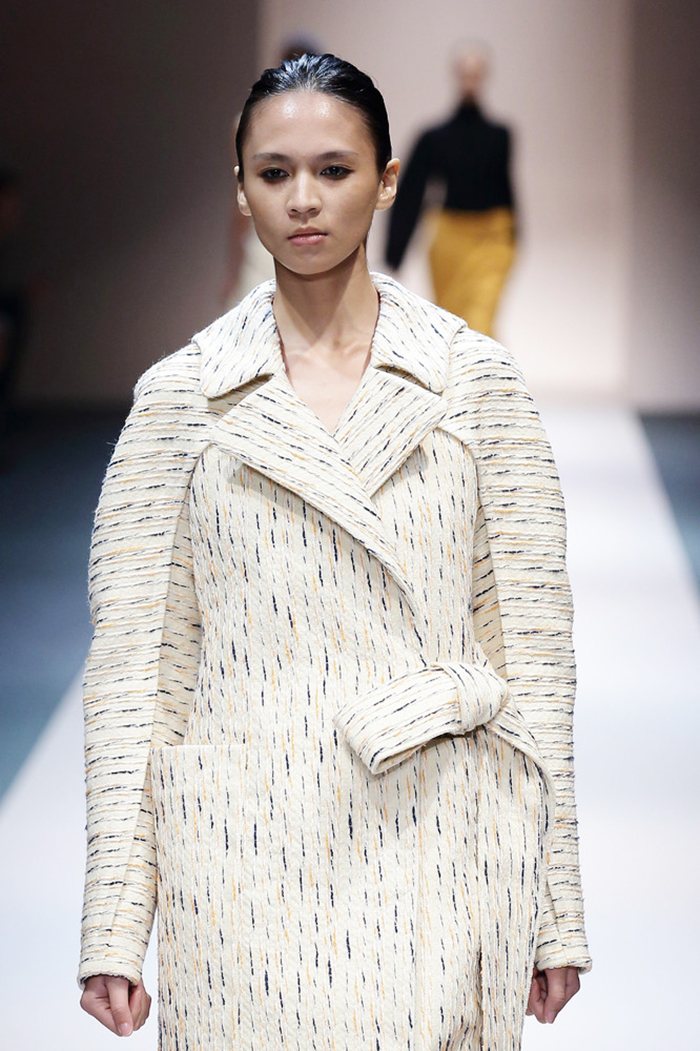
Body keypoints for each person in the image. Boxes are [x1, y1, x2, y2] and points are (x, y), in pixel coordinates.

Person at [79, 53, 590, 1050]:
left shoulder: (475, 384)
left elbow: (533, 650)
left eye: (334, 169)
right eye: (274, 173)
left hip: (440, 839)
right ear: (240, 190)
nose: (303, 199)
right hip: (243, 853)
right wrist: (114, 919)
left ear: (388, 180)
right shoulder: (181, 399)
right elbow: (138, 671)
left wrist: (555, 900)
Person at [385, 44, 517, 338]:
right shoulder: (434, 138)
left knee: (481, 321)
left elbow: (505, 187)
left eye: (476, 72)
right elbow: (412, 191)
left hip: (492, 239)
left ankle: (485, 369)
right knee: (453, 323)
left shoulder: (501, 136)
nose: (470, 79)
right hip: (449, 240)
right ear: (456, 75)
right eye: (466, 72)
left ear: (484, 76)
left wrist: (513, 235)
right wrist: (396, 249)